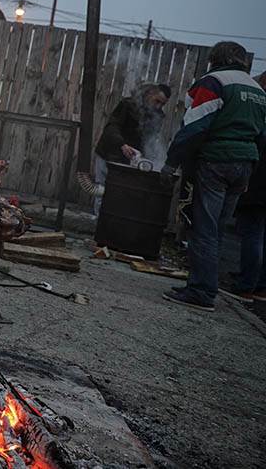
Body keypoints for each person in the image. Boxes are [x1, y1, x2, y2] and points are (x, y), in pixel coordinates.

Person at [161, 42, 266, 312]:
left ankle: (201, 292)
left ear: (215, 59)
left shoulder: (214, 82)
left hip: (216, 162)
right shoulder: (256, 90)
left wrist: (171, 163)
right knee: (217, 229)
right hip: (245, 164)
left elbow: (195, 127)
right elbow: (262, 136)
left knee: (204, 229)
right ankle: (204, 284)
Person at [92, 83, 171, 213]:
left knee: (120, 195)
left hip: (129, 160)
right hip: (108, 153)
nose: (158, 106)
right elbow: (112, 127)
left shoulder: (158, 116)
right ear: (150, 94)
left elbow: (150, 140)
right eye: (157, 101)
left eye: (162, 104)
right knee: (101, 191)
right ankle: (98, 224)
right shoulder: (128, 105)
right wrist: (122, 144)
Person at [235, 71, 266, 301]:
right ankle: (260, 286)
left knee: (252, 233)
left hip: (259, 183)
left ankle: (246, 285)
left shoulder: (260, 111)